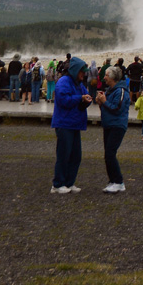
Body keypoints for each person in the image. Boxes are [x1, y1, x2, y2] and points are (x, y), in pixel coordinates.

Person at [50, 56, 92, 194]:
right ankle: (57, 184)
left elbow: (84, 97)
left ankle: (69, 183)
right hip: (64, 124)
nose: (83, 74)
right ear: (75, 70)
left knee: (76, 156)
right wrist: (80, 98)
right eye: (82, 71)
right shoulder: (64, 82)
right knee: (63, 154)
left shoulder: (79, 84)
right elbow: (63, 100)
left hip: (75, 124)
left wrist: (88, 100)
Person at [96, 63, 130, 192]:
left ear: (112, 77)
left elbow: (117, 108)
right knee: (108, 154)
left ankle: (119, 182)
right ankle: (112, 181)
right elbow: (108, 108)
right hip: (109, 124)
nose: (104, 77)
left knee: (110, 153)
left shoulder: (121, 91)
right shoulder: (110, 91)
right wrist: (101, 103)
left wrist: (104, 101)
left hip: (117, 125)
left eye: (106, 75)